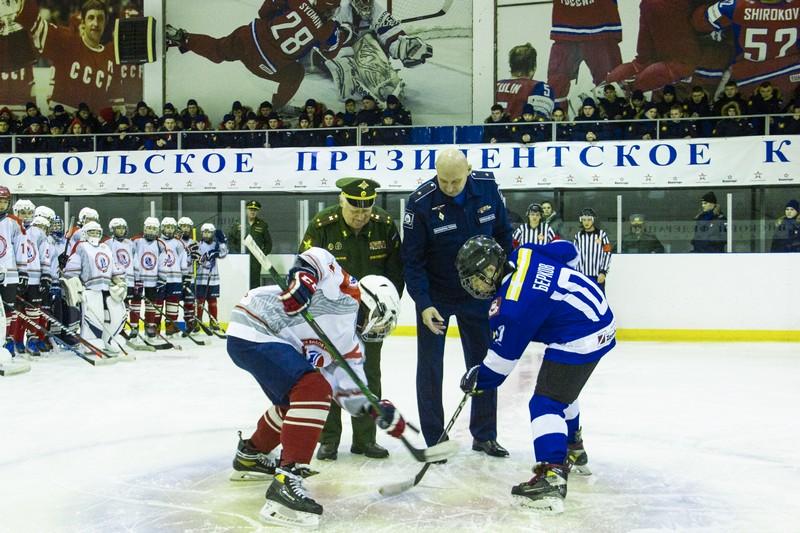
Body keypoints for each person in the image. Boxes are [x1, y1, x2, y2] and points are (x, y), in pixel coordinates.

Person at [225, 246, 403, 528]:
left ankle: (251, 455)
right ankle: (287, 480)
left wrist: (376, 409)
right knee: (315, 388)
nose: (380, 330)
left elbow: (349, 395)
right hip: (256, 322)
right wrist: (304, 278)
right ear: (376, 304)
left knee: (295, 404)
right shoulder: (347, 292)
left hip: (260, 339)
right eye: (384, 320)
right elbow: (319, 256)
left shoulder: (351, 347)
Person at [456, 236, 615, 514]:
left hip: (580, 334)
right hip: (599, 316)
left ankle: (552, 478)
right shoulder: (524, 253)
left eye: (476, 278)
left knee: (546, 403)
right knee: (564, 390)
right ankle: (573, 447)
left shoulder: (512, 307)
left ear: (491, 270)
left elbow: (500, 366)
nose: (475, 286)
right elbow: (569, 251)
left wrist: (476, 379)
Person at [400, 148, 513, 453]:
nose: (449, 188)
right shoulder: (420, 203)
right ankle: (435, 437)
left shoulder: (488, 188)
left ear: (469, 171)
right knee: (430, 367)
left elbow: (504, 235)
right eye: (443, 181)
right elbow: (412, 262)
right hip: (436, 296)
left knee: (483, 363)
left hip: (479, 295)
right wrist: (423, 304)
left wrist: (499, 277)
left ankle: (485, 434)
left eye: (456, 181)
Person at [300, 177, 403, 461]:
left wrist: (386, 308)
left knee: (368, 376)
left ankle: (365, 439)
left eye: (366, 211)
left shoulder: (383, 225)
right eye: (354, 210)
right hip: (331, 316)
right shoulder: (323, 226)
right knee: (329, 373)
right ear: (341, 202)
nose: (361, 216)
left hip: (371, 318)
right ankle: (329, 439)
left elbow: (396, 271)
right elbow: (305, 268)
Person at [166, 0, 347, 108]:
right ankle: (277, 108)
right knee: (296, 73)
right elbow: (330, 53)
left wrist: (268, 21)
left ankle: (184, 39)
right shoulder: (328, 29)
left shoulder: (299, 1)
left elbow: (263, 11)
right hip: (266, 63)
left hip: (249, 36)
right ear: (331, 10)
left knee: (218, 49)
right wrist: (343, 33)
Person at [323, 0, 432, 102]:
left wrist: (404, 48)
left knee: (369, 41)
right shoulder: (340, 10)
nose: (366, 4)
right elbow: (326, 42)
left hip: (364, 48)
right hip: (346, 51)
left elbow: (390, 32)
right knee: (345, 59)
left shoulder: (376, 9)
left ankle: (383, 81)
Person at [27, 0, 123, 112]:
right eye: (91, 18)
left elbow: (116, 105)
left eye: (100, 19)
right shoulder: (67, 42)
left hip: (91, 124)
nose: (96, 24)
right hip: (64, 123)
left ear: (105, 23)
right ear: (83, 22)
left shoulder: (110, 57)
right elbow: (35, 25)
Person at [62, 221, 127, 355]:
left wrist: (119, 282)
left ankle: (109, 339)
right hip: (90, 289)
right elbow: (71, 273)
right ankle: (91, 341)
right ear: (85, 233)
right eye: (92, 232)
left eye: (97, 232)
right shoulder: (81, 247)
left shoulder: (105, 248)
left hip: (107, 288)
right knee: (93, 316)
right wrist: (75, 286)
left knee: (116, 314)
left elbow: (113, 269)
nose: (95, 234)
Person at [547, 0, 622, 104]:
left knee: (611, 85)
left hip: (601, 30)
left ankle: (614, 113)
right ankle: (557, 116)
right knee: (555, 87)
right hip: (567, 29)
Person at [0, 186, 28, 367]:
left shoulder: (13, 222)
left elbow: (21, 247)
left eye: (4, 202)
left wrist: (23, 271)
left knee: (9, 310)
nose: (2, 205)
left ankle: (7, 341)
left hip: (9, 275)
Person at [496, 43, 556, 119]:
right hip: (522, 130)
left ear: (511, 65)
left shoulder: (495, 85)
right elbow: (540, 122)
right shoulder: (540, 87)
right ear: (534, 66)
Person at [130, 217, 162, 342]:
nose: (151, 231)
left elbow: (163, 262)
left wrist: (161, 278)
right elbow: (131, 258)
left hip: (153, 280)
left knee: (151, 304)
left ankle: (150, 325)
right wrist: (135, 277)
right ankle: (134, 327)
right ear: (144, 228)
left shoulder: (160, 244)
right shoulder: (136, 241)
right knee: (135, 303)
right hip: (138, 279)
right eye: (149, 228)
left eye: (154, 228)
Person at [157, 217, 189, 338]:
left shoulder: (178, 243)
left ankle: (171, 329)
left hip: (175, 279)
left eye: (171, 227)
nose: (169, 230)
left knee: (173, 304)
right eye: (166, 227)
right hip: (160, 279)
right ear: (162, 228)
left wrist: (184, 277)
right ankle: (155, 329)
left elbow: (183, 260)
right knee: (157, 305)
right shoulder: (158, 242)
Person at [105, 218, 136, 344]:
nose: (121, 230)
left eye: (123, 228)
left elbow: (134, 260)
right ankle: (117, 328)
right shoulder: (108, 244)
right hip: (116, 280)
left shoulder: (130, 244)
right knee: (115, 305)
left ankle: (122, 327)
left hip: (129, 280)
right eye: (118, 228)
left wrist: (137, 279)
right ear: (113, 229)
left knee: (126, 306)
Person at [229, 200, 273, 289]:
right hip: (240, 259)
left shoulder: (262, 225)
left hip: (255, 260)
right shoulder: (238, 223)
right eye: (250, 209)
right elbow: (230, 241)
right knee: (239, 282)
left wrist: (261, 255)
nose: (252, 212)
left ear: (258, 211)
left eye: (255, 210)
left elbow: (268, 243)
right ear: (246, 210)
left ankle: (253, 302)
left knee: (254, 284)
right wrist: (235, 254)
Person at [195, 224, 228, 330]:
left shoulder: (215, 244)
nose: (206, 234)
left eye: (209, 232)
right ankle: (198, 320)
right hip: (201, 278)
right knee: (200, 301)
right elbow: (199, 259)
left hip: (213, 278)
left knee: (212, 301)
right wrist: (207, 255)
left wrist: (222, 243)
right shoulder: (198, 245)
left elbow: (223, 254)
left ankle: (213, 321)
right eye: (204, 232)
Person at [573, 208, 612, 292]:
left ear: (593, 220)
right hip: (582, 276)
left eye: (589, 220)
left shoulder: (602, 234)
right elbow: (574, 254)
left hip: (597, 276)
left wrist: (603, 272)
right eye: (583, 220)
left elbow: (608, 252)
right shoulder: (578, 236)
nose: (586, 222)